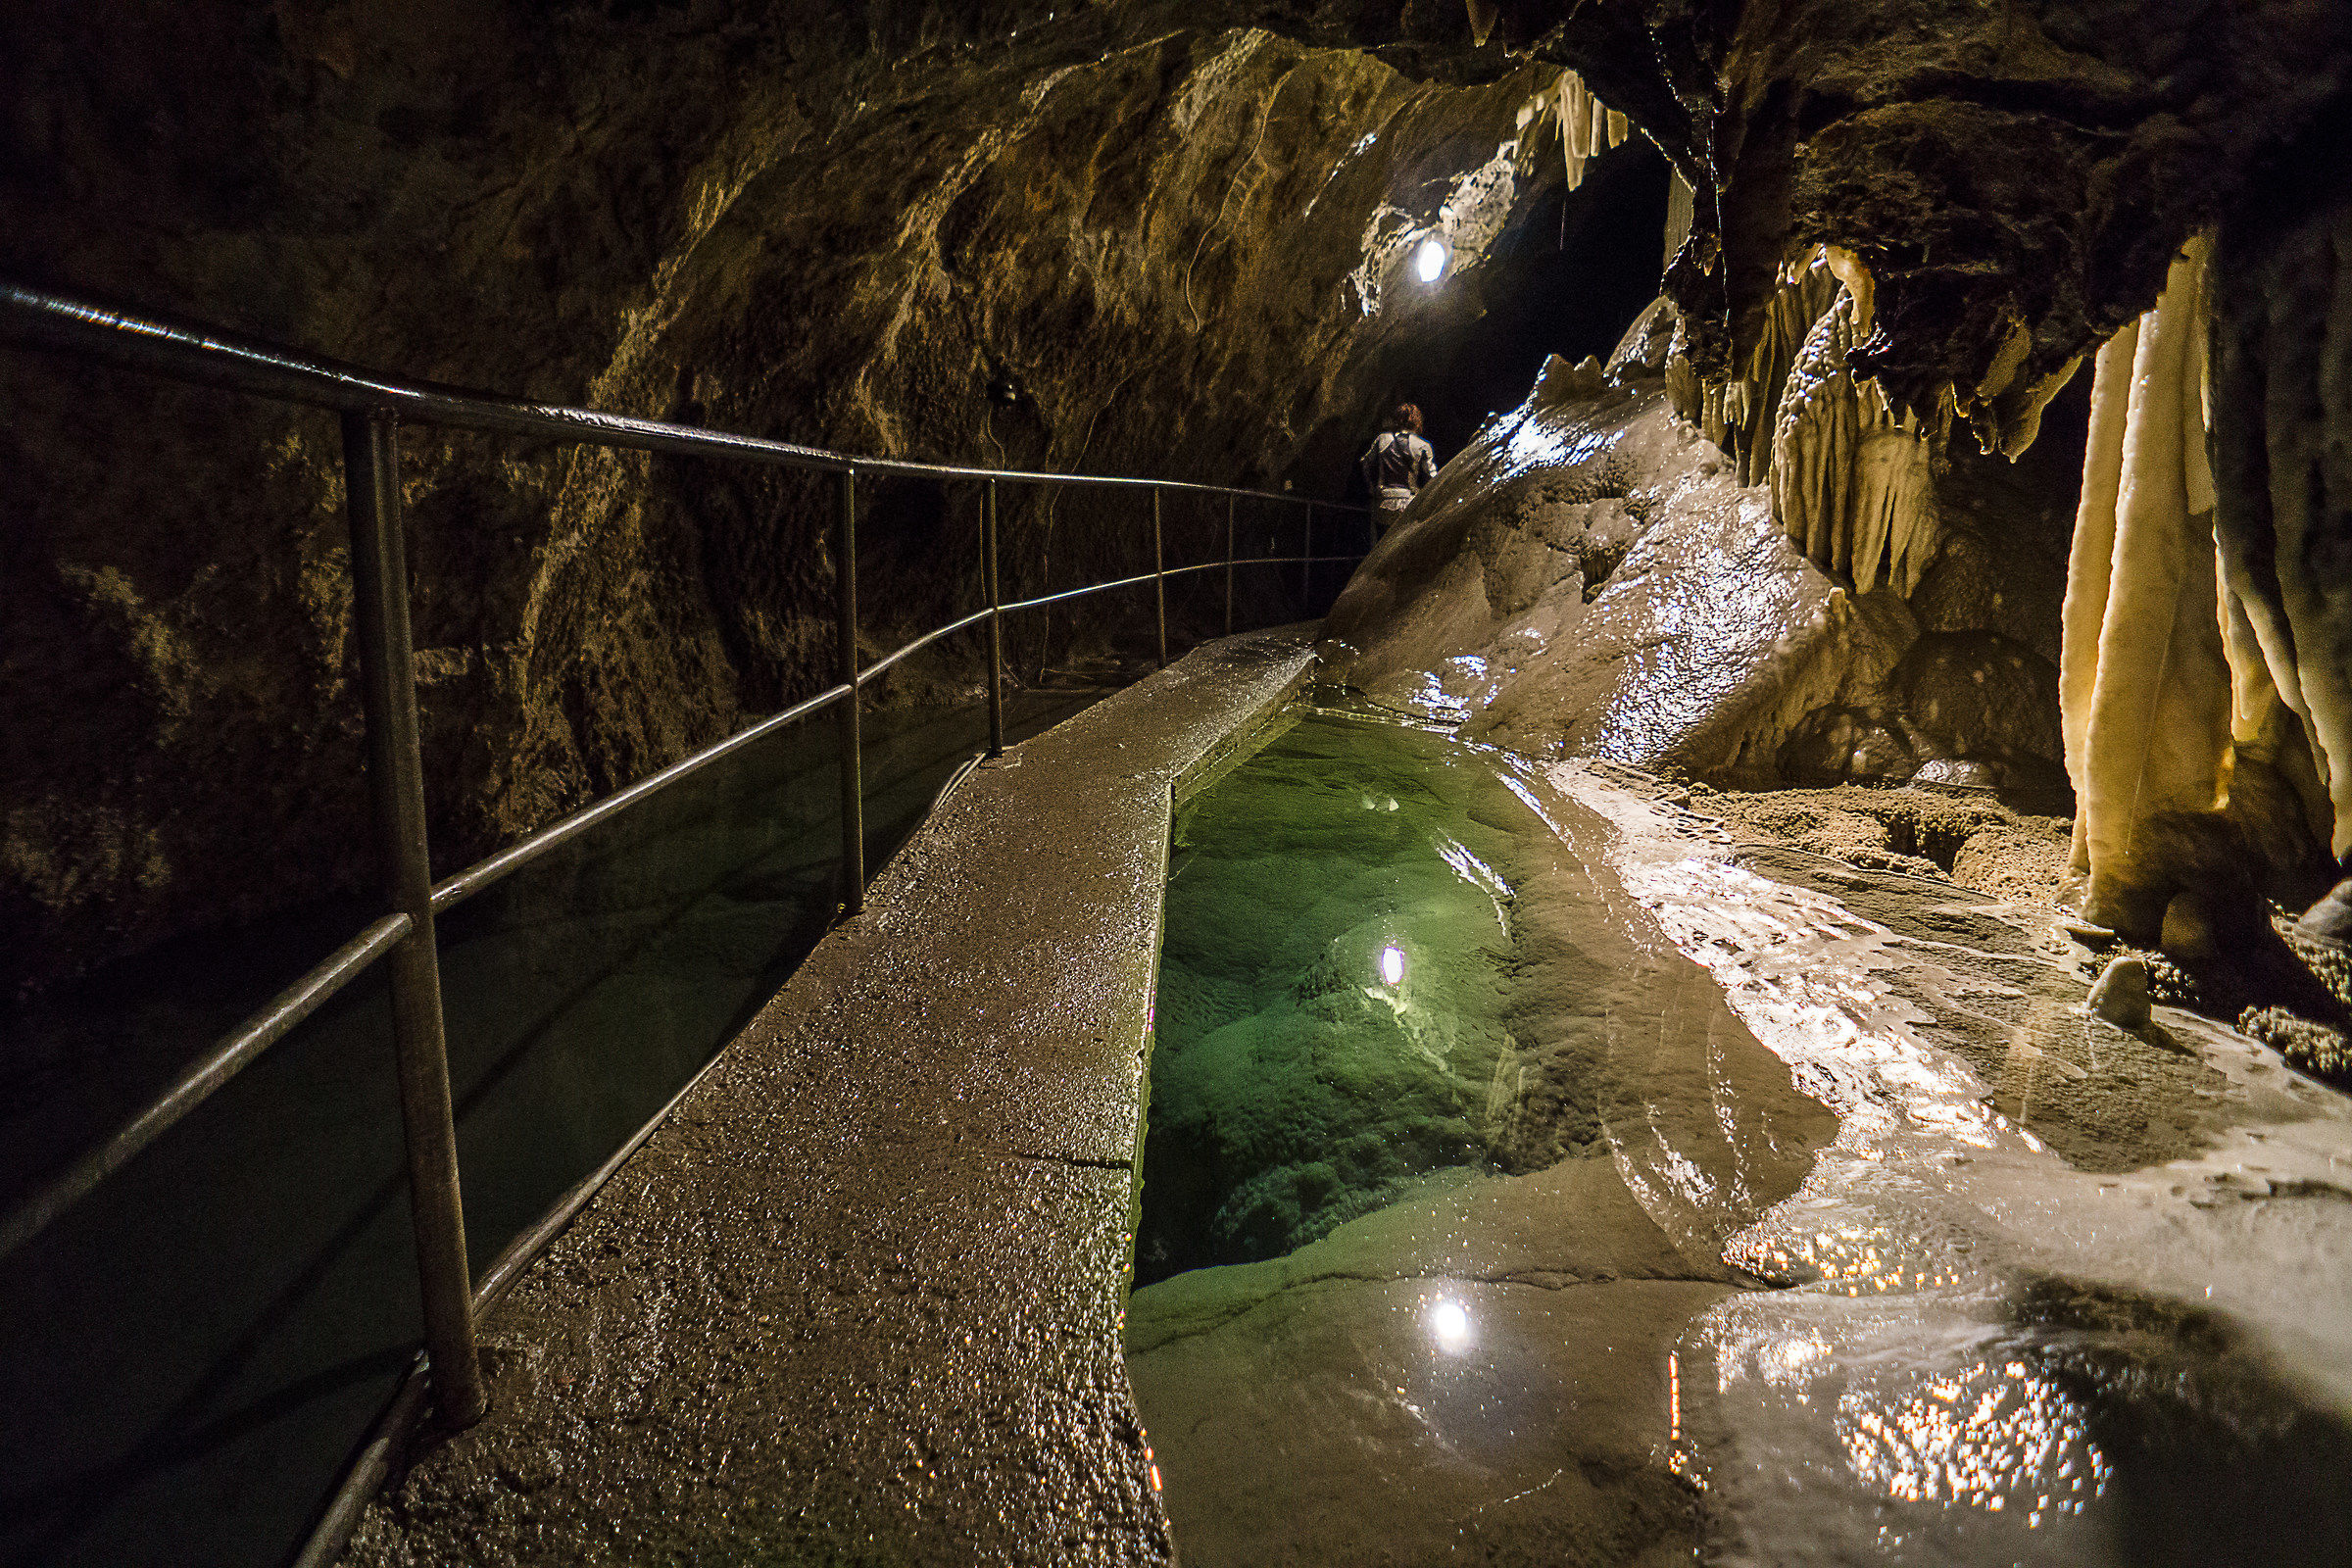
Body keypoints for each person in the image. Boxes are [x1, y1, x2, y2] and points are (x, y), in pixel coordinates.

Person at [1359, 403, 1438, 537]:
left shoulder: (1383, 439)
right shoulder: (1423, 445)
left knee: (1381, 543)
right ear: (1417, 421)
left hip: (1383, 503)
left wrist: (1371, 488)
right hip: (1409, 504)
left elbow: (1365, 463)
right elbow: (1433, 478)